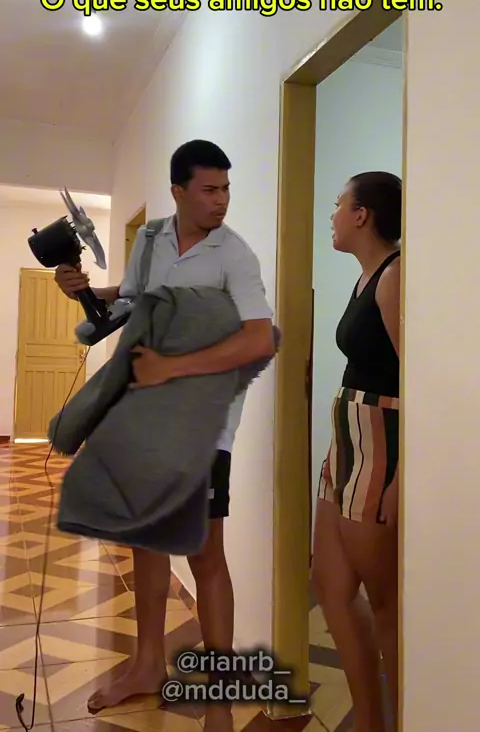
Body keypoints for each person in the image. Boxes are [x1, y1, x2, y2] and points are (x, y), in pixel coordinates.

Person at [55, 139, 274, 729]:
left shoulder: (235, 256)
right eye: (209, 189)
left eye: (226, 189)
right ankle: (147, 665)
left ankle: (220, 700)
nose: (221, 201)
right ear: (178, 191)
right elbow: (131, 298)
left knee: (204, 555)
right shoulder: (151, 238)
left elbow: (258, 339)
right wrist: (83, 289)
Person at [311, 171, 401, 732]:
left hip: (381, 444)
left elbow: (418, 381)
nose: (333, 214)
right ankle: (369, 721)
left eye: (339, 204)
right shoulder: (365, 276)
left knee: (386, 603)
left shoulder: (395, 276)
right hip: (347, 440)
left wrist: (400, 479)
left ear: (362, 214)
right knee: (331, 585)